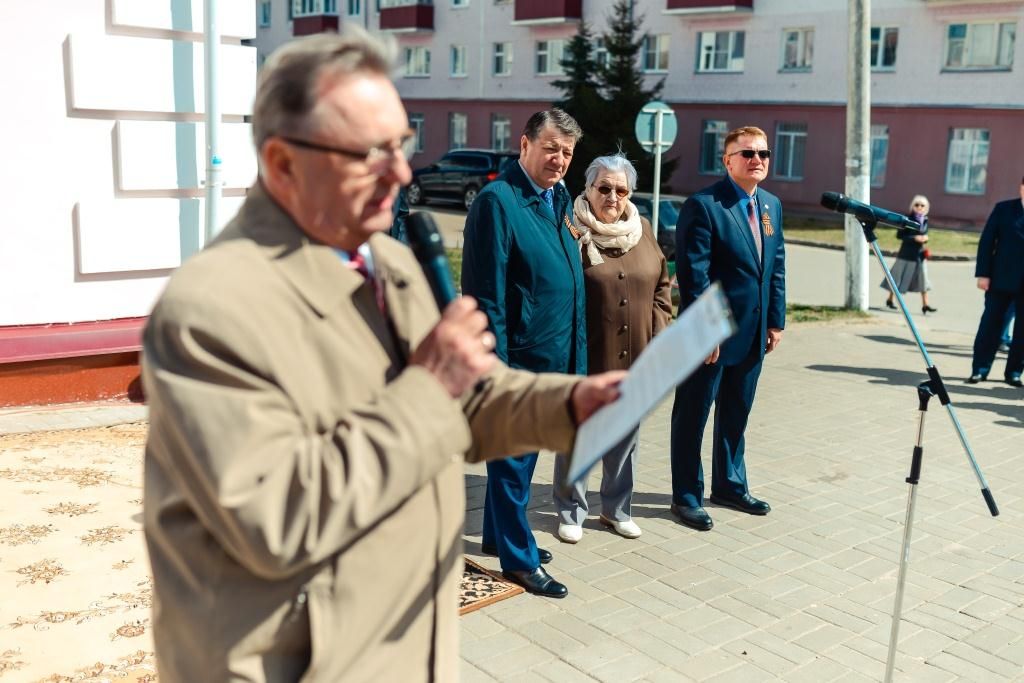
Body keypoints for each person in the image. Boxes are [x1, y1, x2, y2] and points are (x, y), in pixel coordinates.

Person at [141, 30, 625, 682]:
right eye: (369, 152)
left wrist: (568, 402)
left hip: (399, 641)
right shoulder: (209, 310)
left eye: (401, 144)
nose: (401, 172)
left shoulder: (387, 259)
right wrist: (430, 385)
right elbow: (277, 517)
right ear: (282, 164)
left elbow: (470, 398)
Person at [461, 108, 586, 599]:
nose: (559, 160)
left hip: (555, 353)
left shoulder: (556, 199)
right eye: (551, 148)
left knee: (523, 458)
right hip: (519, 360)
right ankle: (518, 559)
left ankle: (498, 534)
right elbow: (485, 296)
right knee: (513, 461)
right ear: (526, 144)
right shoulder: (498, 201)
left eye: (568, 153)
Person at [668, 126, 786, 532]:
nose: (757, 159)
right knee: (693, 416)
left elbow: (775, 267)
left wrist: (776, 320)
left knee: (736, 414)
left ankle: (730, 485)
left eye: (764, 153)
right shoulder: (704, 206)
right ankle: (686, 495)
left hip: (753, 334)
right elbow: (693, 275)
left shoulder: (771, 205)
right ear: (728, 160)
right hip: (712, 337)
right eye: (747, 153)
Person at [552, 153, 673, 543]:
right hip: (586, 352)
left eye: (621, 190)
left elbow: (661, 285)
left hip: (635, 352)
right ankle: (571, 510)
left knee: (625, 436)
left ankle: (616, 509)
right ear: (587, 189)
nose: (612, 196)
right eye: (603, 188)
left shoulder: (644, 229)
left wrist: (659, 330)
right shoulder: (569, 230)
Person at [967, 176, 1024, 387]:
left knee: (1022, 333)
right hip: (1001, 280)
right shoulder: (1004, 209)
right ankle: (979, 370)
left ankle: (1014, 373)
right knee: (990, 325)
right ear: (1021, 188)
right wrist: (983, 274)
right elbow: (987, 242)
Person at [882, 195, 937, 315]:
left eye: (922, 205)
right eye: (917, 204)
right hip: (905, 254)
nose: (919, 207)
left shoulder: (925, 220)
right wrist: (914, 238)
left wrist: (925, 238)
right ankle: (890, 299)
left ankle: (925, 305)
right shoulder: (907, 219)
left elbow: (924, 234)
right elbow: (899, 236)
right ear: (912, 206)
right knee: (897, 278)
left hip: (919, 255)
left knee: (923, 279)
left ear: (926, 207)